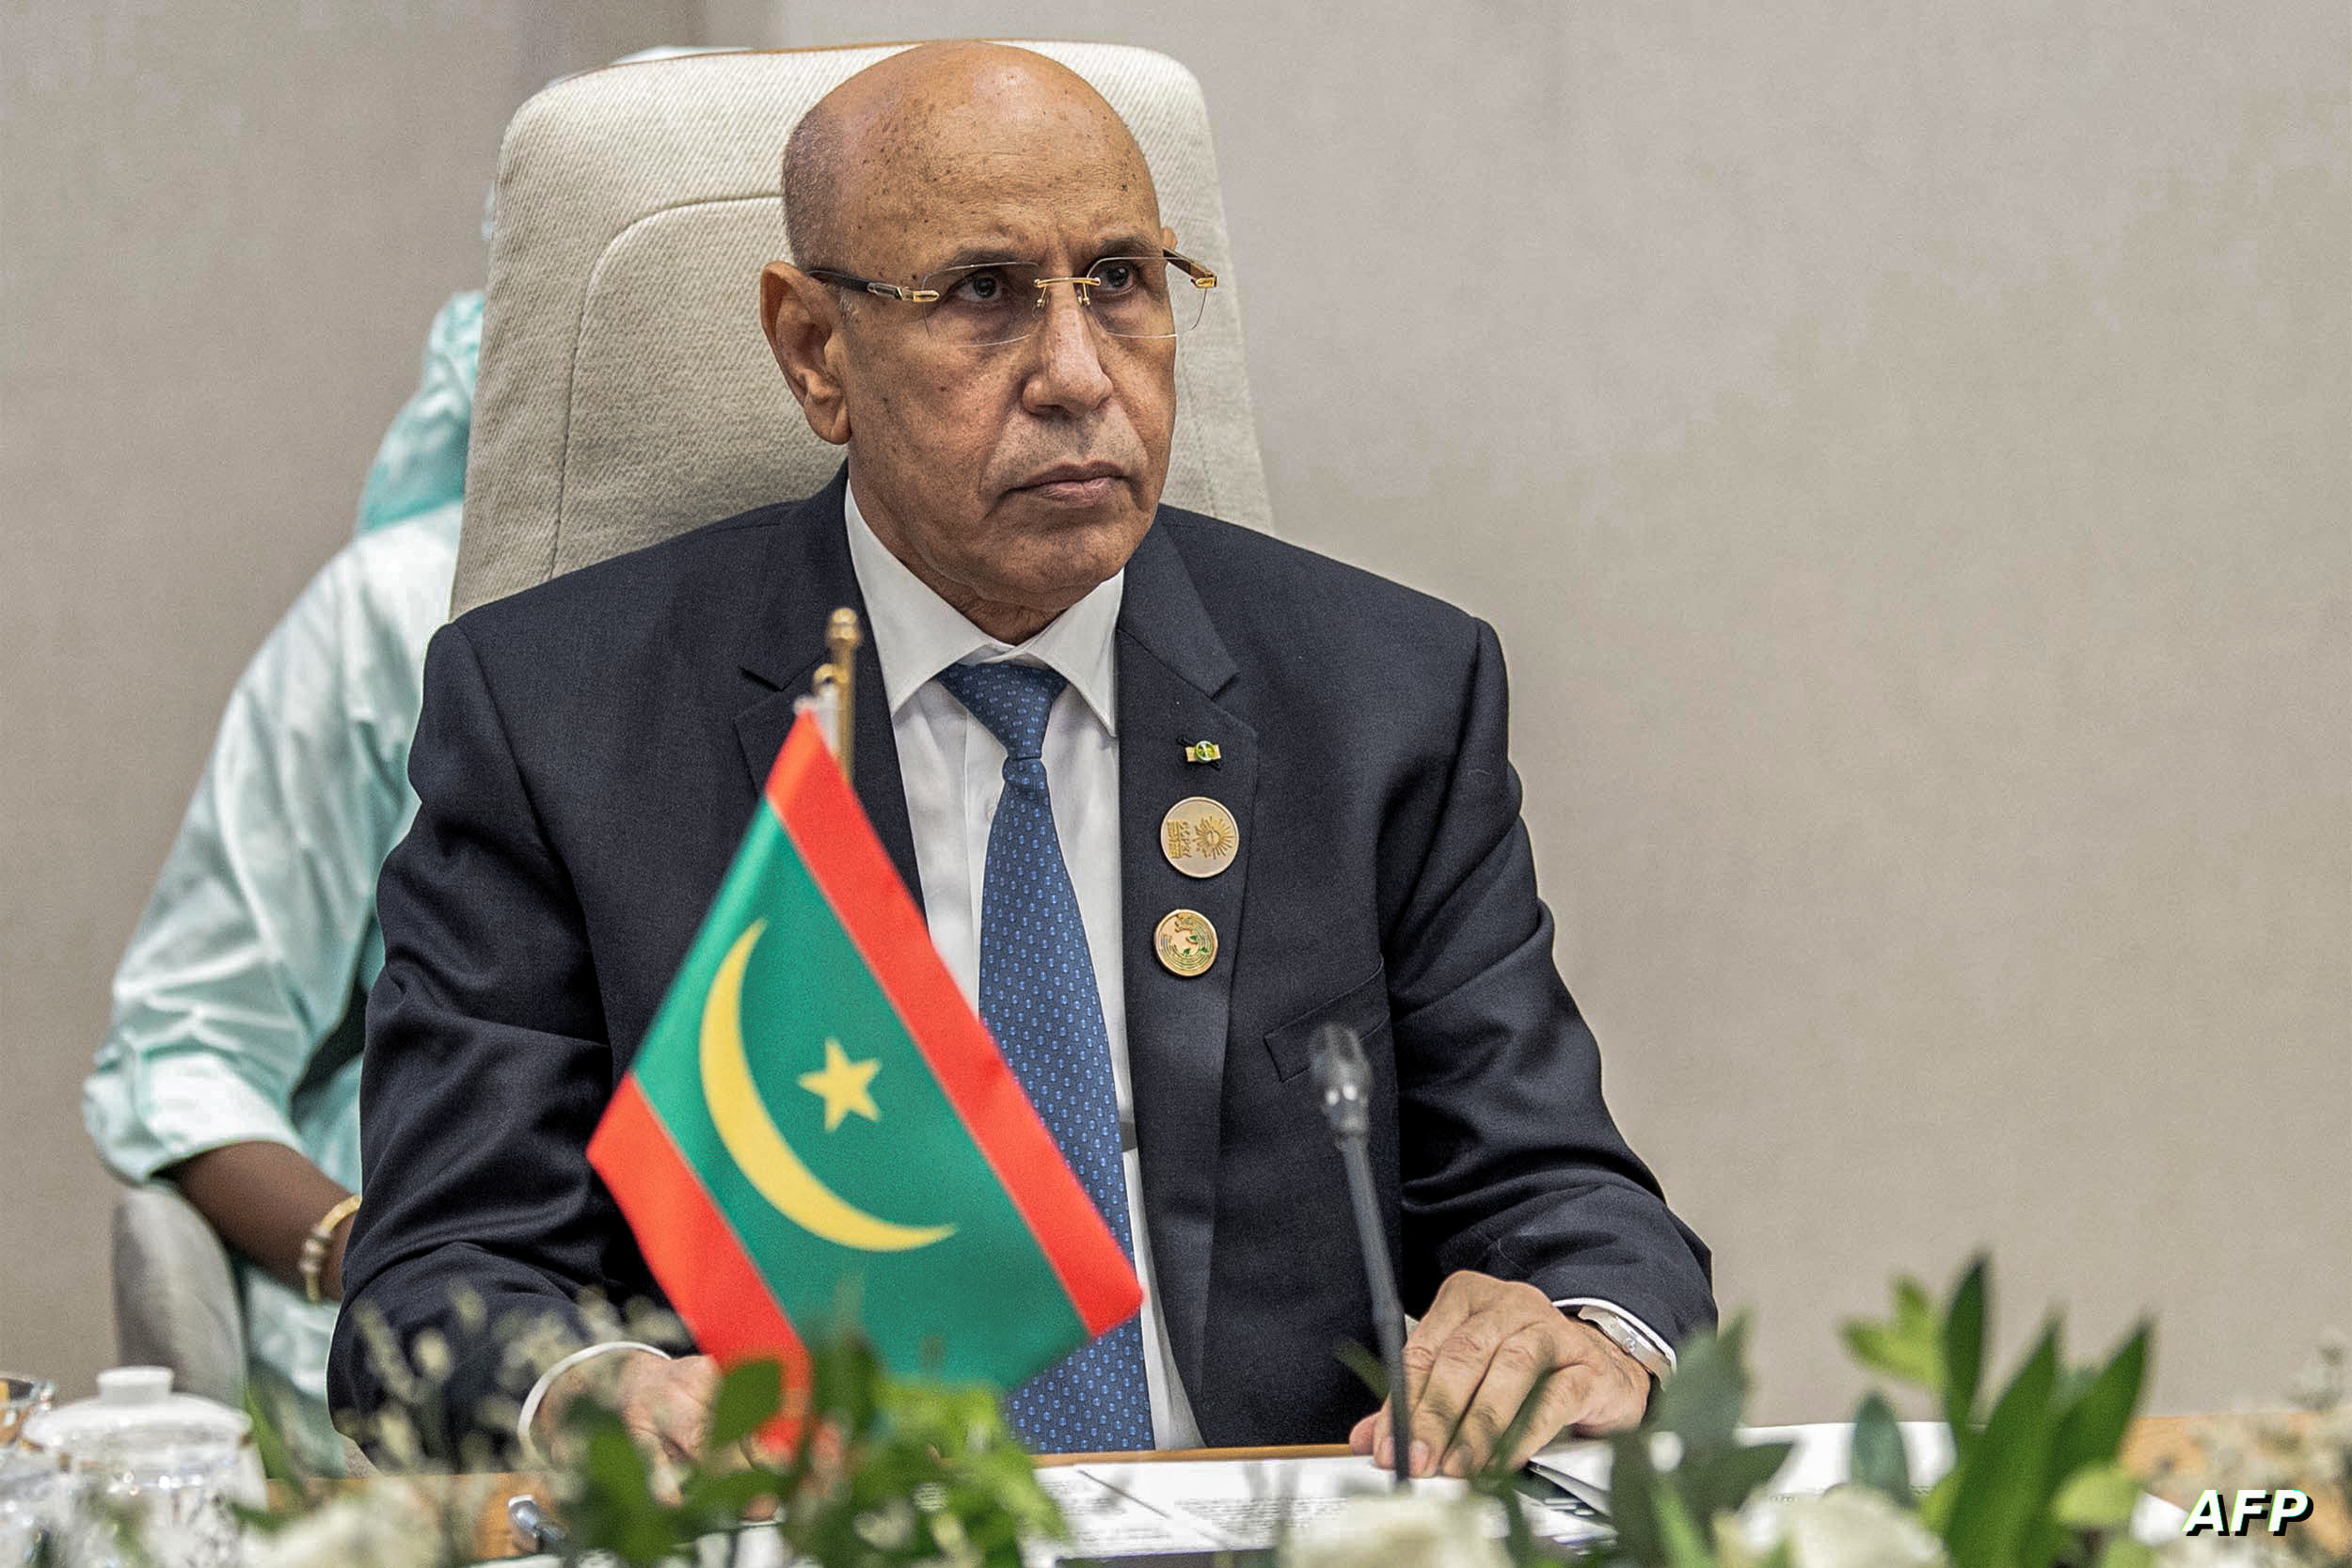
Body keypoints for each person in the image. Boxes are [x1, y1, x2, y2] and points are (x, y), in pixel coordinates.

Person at [332, 42, 1714, 1478]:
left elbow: (1571, 1201)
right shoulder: (560, 721)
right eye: (983, 292)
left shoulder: (1383, 697)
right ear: (814, 350)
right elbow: (434, 1279)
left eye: (1121, 279)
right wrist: (597, 1394)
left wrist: (1572, 1322)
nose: (1077, 373)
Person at [85, 293, 478, 1468]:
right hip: (447, 1345)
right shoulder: (401, 610)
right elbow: (187, 1042)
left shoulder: (877, 622)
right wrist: (375, 1256)